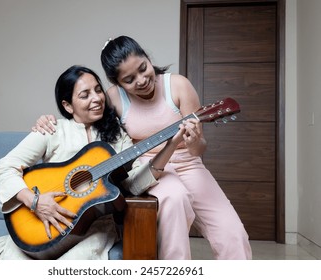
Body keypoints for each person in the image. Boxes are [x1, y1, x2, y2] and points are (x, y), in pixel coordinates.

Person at [33, 36, 252, 260]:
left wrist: (194, 139)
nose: (141, 80)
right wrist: (46, 120)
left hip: (189, 165)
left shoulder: (178, 85)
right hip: (149, 169)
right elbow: (87, 124)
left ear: (148, 58)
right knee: (175, 200)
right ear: (117, 83)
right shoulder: (113, 99)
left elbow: (198, 150)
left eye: (143, 68)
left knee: (232, 234)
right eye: (129, 79)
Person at [0, 65, 186, 260]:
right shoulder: (52, 130)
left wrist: (171, 145)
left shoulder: (118, 137)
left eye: (98, 90)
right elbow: (4, 168)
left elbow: (132, 184)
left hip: (93, 230)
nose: (97, 98)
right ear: (68, 106)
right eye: (85, 95)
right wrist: (35, 201)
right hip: (41, 222)